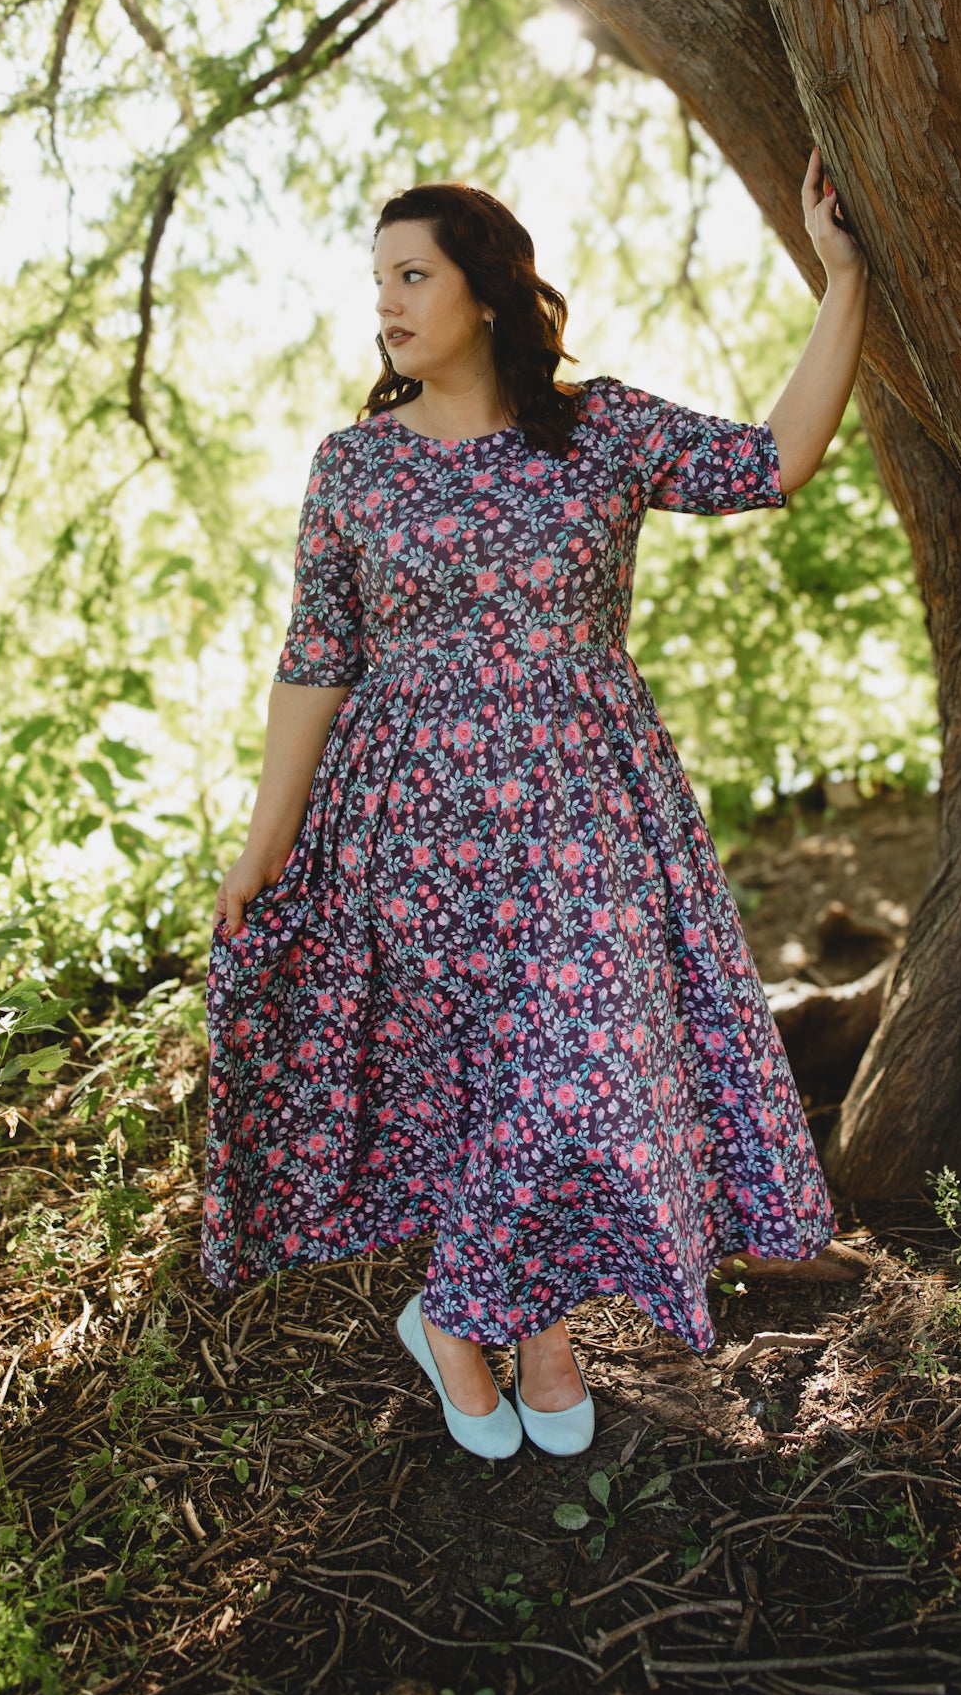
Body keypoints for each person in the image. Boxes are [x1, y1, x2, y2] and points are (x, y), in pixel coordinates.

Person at [201, 149, 868, 1461]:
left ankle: (460, 1316)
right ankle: (538, 1336)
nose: (384, 304)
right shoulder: (355, 467)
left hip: (585, 811)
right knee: (469, 1082)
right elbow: (316, 653)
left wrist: (842, 279)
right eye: (376, 280)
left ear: (485, 293)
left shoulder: (600, 429)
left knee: (580, 1072)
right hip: (410, 815)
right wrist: (268, 836)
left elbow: (771, 462)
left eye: (411, 276)